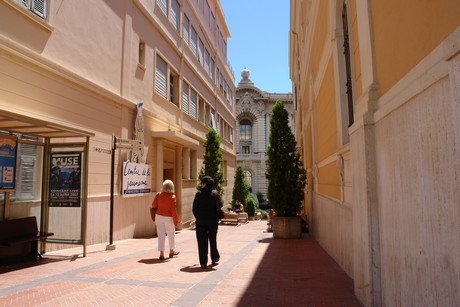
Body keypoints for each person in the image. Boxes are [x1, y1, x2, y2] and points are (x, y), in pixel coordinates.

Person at [192, 176, 222, 269]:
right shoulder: (215, 194)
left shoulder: (198, 194)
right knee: (213, 240)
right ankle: (214, 258)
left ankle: (203, 263)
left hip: (201, 223)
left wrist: (198, 217)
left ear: (204, 184)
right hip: (213, 222)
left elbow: (194, 208)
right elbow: (220, 205)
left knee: (202, 242)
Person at [152, 179, 179, 260]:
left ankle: (161, 254)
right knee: (171, 234)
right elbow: (173, 210)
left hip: (159, 216)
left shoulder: (158, 195)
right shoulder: (172, 197)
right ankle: (171, 251)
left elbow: (153, 205)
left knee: (161, 235)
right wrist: (176, 221)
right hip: (168, 217)